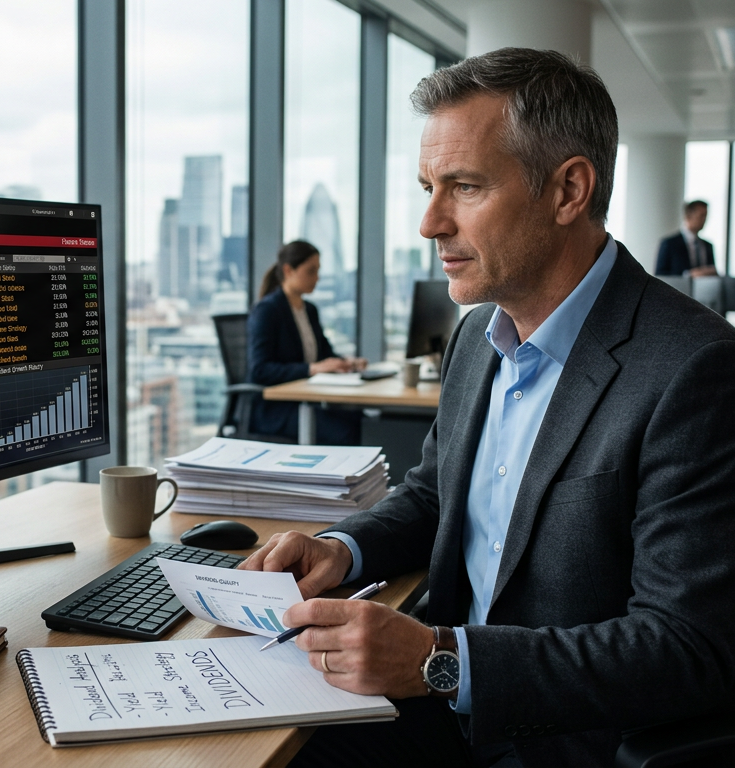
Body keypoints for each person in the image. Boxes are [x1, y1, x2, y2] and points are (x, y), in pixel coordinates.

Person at [240, 48, 735, 768]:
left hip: (566, 742)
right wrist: (342, 548)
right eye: (427, 187)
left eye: (464, 187)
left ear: (569, 190)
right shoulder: (478, 336)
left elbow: (687, 649)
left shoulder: (694, 370)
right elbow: (435, 496)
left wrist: (440, 660)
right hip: (445, 714)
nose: (429, 223)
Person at [247, 240, 366, 444]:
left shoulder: (309, 310)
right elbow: (260, 370)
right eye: (311, 271)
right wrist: (312, 369)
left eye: (318, 271)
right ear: (288, 270)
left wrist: (347, 362)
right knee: (344, 429)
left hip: (308, 401)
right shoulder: (267, 310)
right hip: (276, 409)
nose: (317, 278)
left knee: (362, 419)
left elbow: (324, 355)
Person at [655, 200, 717, 276]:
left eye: (706, 216)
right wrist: (688, 275)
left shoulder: (708, 246)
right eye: (701, 215)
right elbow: (660, 275)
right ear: (688, 216)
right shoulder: (669, 244)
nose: (704, 220)